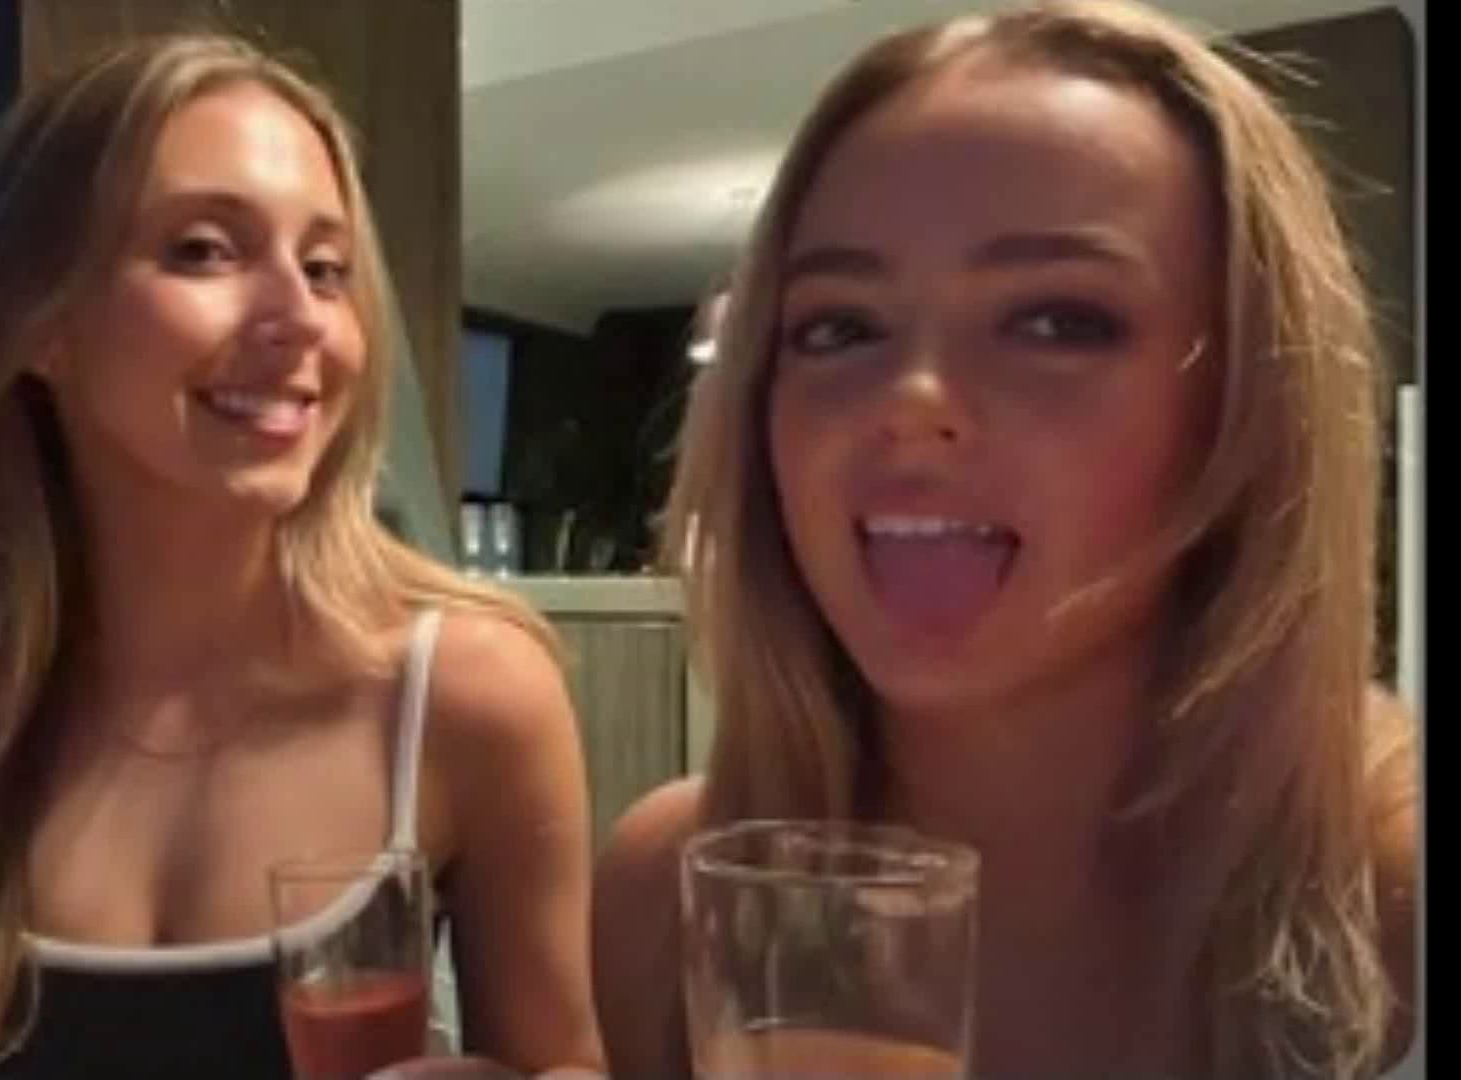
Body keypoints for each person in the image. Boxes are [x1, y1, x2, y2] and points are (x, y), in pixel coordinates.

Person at [0, 33, 602, 1079]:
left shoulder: (469, 692)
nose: (299, 317)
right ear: (39, 324)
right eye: (205, 251)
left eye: (326, 269)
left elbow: (567, 1061)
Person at [593, 1, 1418, 1076]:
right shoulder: (666, 889)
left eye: (1057, 321)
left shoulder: (1397, 888)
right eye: (839, 326)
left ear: (1248, 408)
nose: (911, 401)